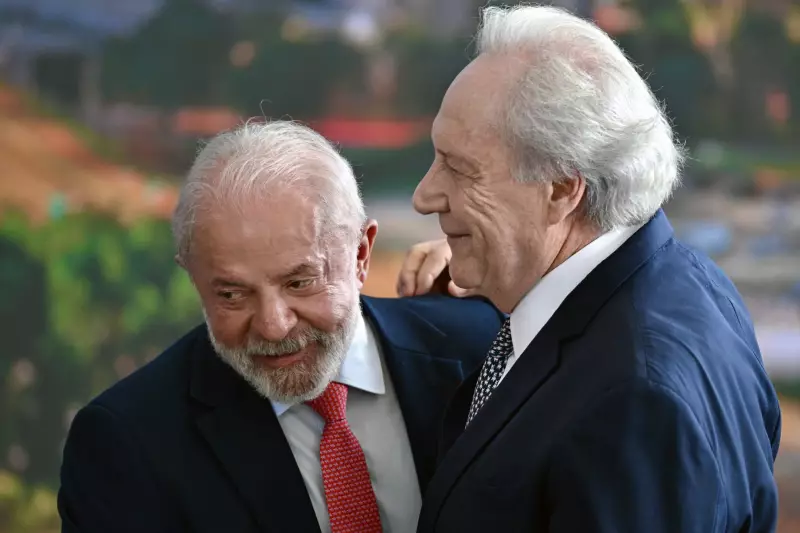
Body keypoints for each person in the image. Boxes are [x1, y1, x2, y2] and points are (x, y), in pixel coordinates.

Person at [399, 5, 782, 533]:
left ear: (561, 189)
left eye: (459, 169)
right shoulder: (688, 280)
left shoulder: (633, 402)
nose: (424, 196)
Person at [57, 121, 504, 533]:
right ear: (192, 276)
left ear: (361, 254)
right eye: (232, 295)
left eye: (299, 283)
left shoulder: (486, 345)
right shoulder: (128, 442)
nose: (273, 327)